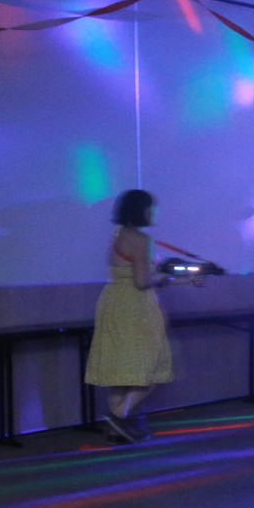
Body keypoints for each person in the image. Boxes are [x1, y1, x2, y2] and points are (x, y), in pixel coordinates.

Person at [84, 188, 173, 444]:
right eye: (151, 208)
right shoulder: (140, 239)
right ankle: (118, 415)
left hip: (114, 302)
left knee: (122, 372)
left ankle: (117, 429)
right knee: (149, 370)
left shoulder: (119, 234)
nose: (154, 212)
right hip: (136, 307)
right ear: (141, 210)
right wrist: (164, 279)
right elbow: (142, 282)